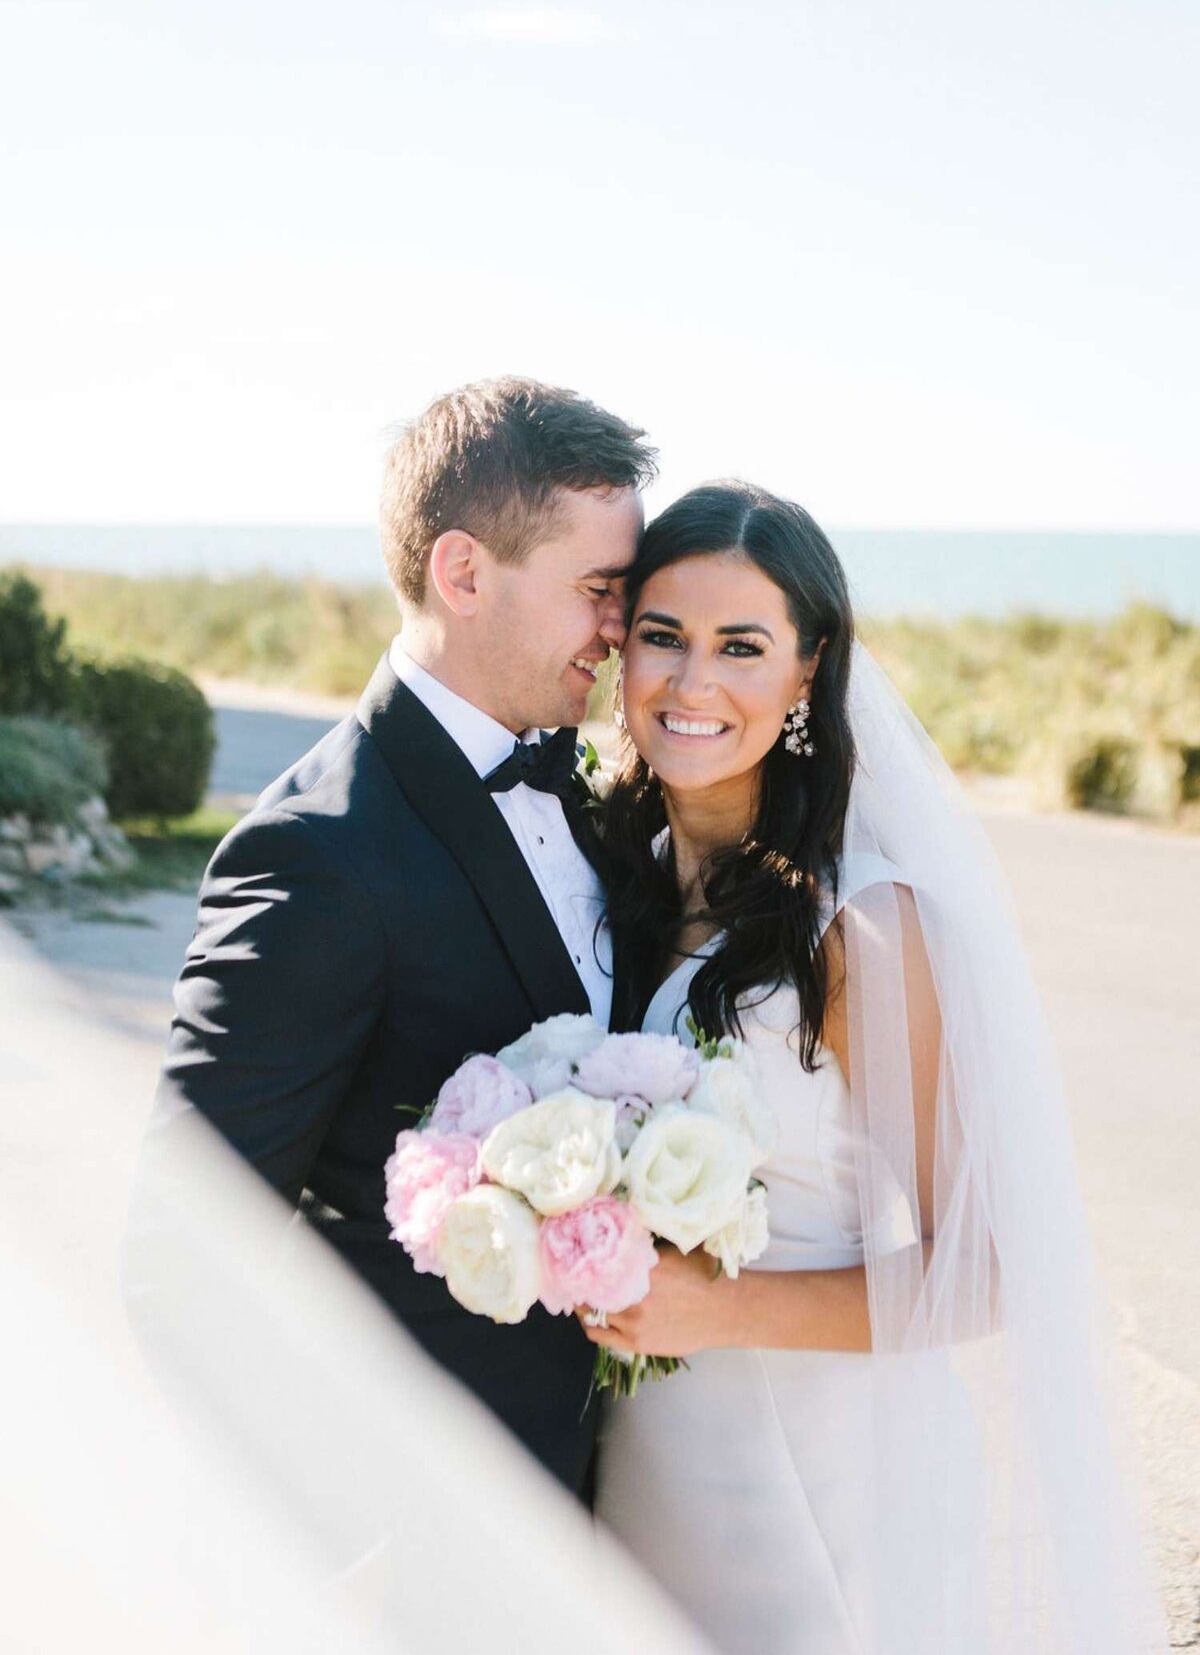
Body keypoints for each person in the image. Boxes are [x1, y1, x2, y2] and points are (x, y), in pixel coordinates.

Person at [589, 483, 1163, 1654]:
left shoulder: (860, 923)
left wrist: (713, 1307)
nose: (692, 684)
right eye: (665, 636)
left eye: (741, 647)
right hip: (630, 1455)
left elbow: (988, 1266)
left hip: (807, 1473)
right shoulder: (609, 874)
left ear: (807, 677)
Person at [139, 377, 654, 1499]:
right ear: (464, 573)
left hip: (625, 1493)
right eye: (599, 590)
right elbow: (187, 1239)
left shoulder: (593, 790)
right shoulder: (317, 855)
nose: (623, 632)